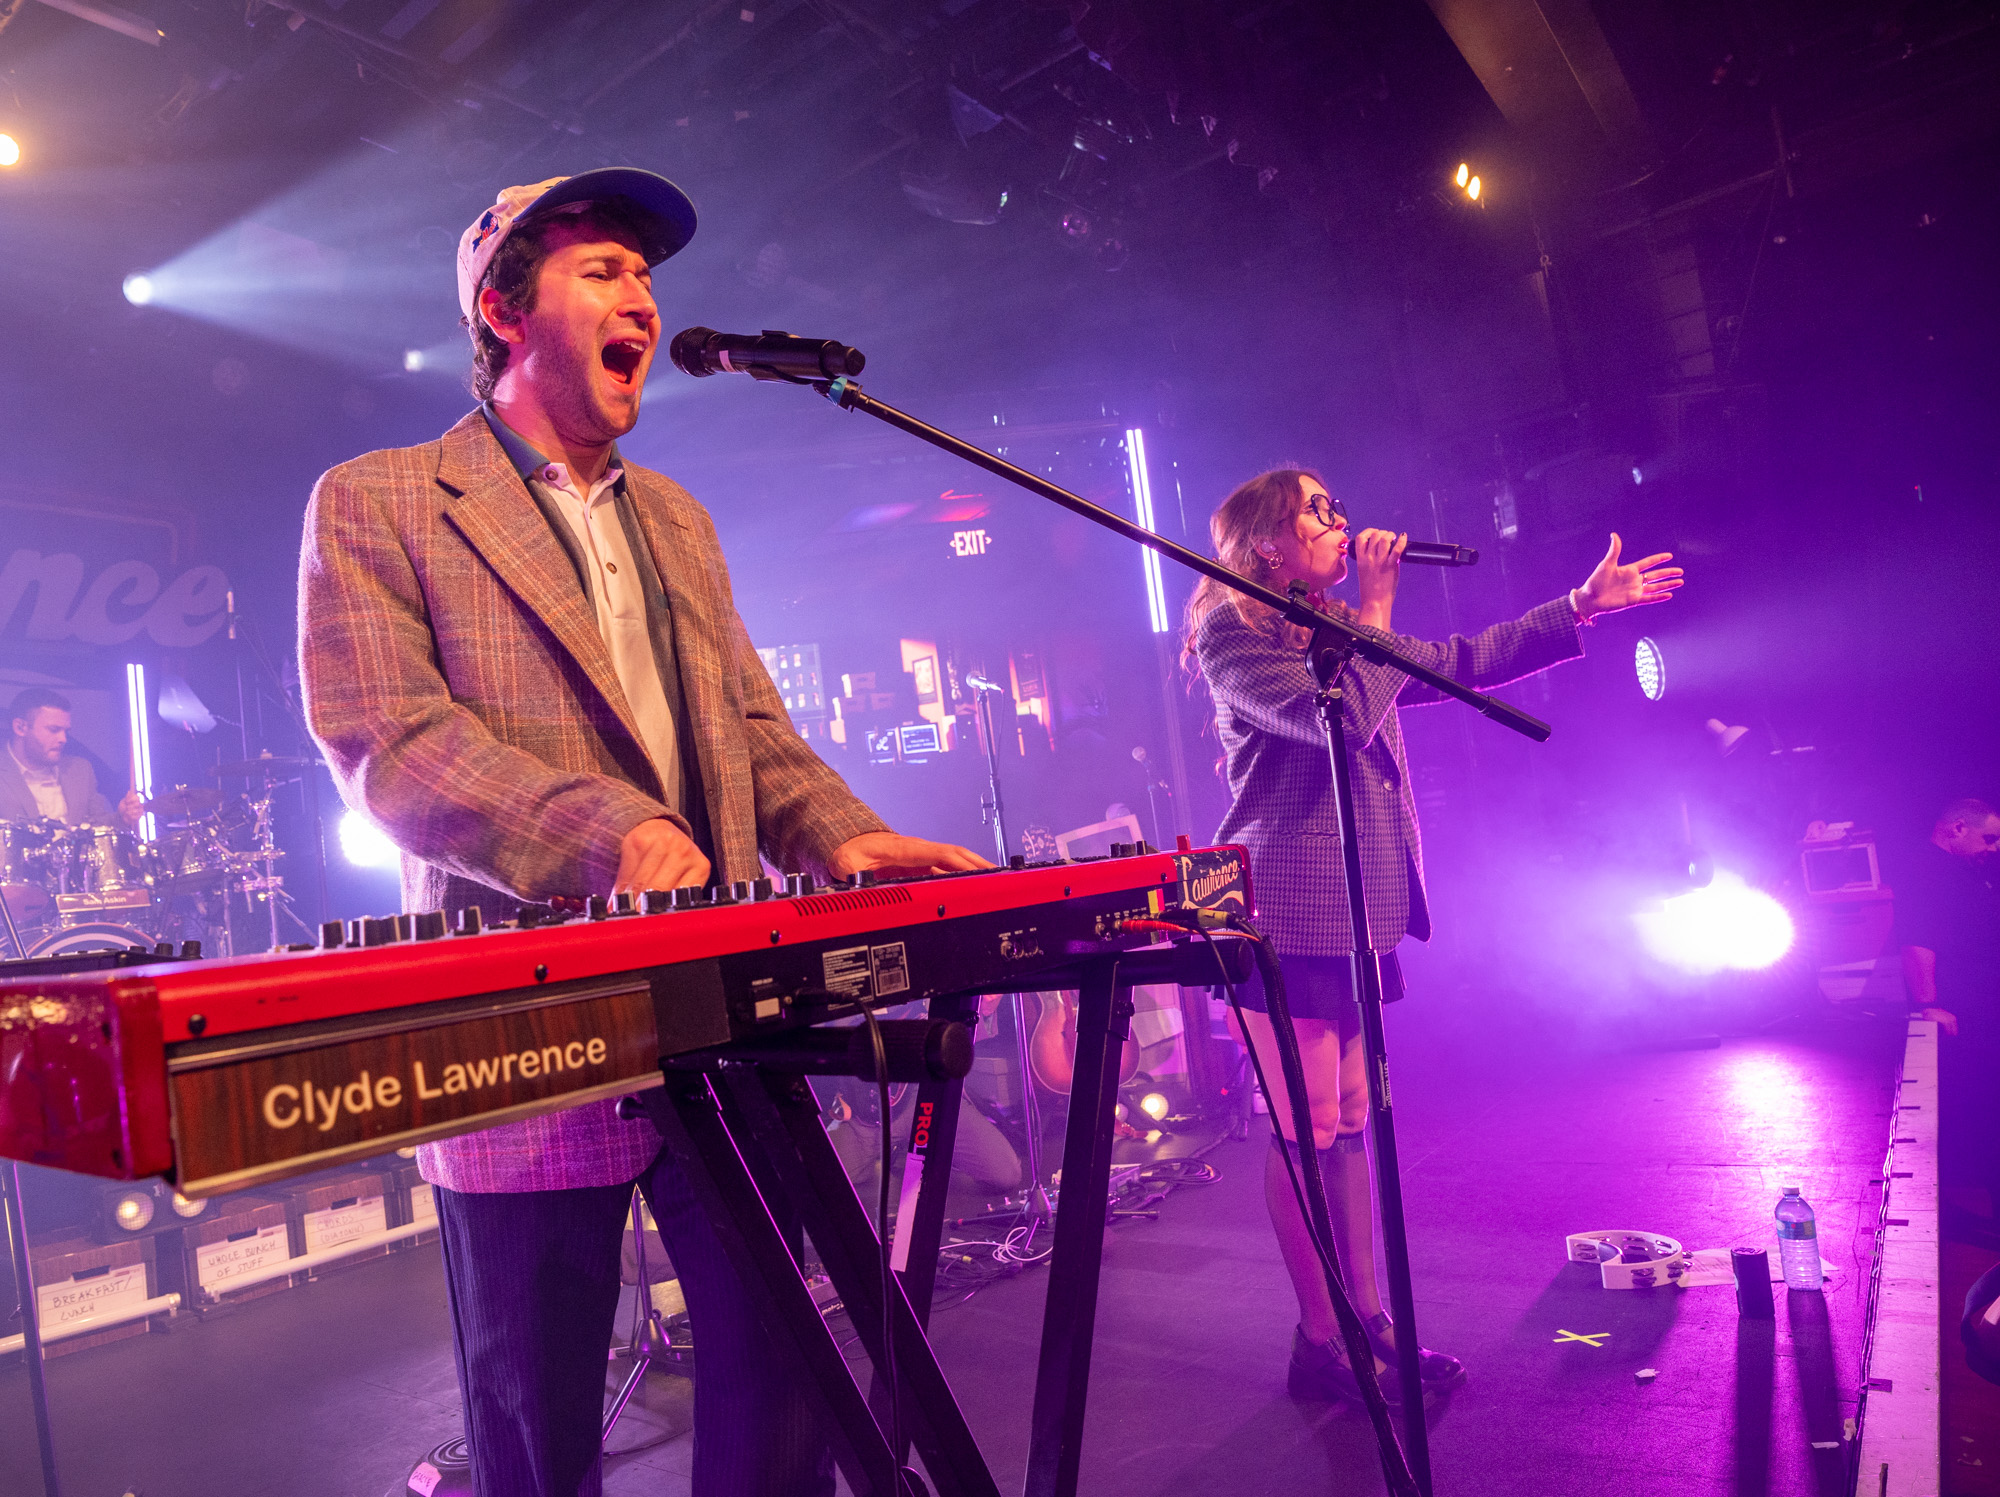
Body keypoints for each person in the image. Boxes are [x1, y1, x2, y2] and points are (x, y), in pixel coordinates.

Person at [298, 168, 986, 1497]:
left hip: (717, 999)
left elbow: (751, 731)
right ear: (502, 312)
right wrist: (605, 830)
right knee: (536, 1405)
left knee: (780, 1376)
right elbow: (387, 740)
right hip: (522, 1020)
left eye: (646, 275)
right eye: (601, 269)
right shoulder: (378, 498)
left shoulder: (678, 517)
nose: (642, 297)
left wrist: (844, 834)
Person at [1182, 469, 1681, 1406]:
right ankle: (1319, 1338)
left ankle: (1367, 1320)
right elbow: (1337, 715)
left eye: (1336, 504)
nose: (1341, 519)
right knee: (1309, 1129)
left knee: (1357, 1124)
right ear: (1265, 547)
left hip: (1358, 907)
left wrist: (1578, 606)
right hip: (1287, 905)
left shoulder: (1331, 628)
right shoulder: (1233, 636)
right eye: (1316, 511)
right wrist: (1374, 605)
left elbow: (1457, 658)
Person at [1895, 797, 2000, 1216]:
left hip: (1980, 1006)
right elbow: (1917, 942)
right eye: (1989, 838)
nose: (1994, 848)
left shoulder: (1965, 872)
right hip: (1961, 1011)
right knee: (1978, 1108)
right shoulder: (1927, 871)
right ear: (1957, 828)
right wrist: (1930, 1004)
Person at [1, 687, 145, 829]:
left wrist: (121, 818)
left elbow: (98, 827)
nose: (63, 739)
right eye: (54, 730)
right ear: (20, 727)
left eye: (65, 731)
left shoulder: (80, 770)